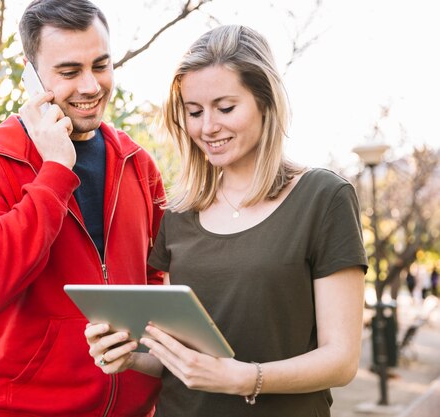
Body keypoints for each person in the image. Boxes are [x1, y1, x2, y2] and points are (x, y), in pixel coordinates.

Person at [85, 24, 368, 416]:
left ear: (265, 102)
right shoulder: (179, 212)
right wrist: (130, 355)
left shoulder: (324, 198)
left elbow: (341, 360)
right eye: (194, 112)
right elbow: (182, 358)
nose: (207, 127)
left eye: (226, 107)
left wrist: (245, 379)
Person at [0, 1, 165, 416]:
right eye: (69, 72)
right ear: (31, 72)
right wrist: (55, 172)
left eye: (101, 65)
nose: (90, 86)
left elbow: (157, 278)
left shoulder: (138, 163)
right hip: (23, 409)